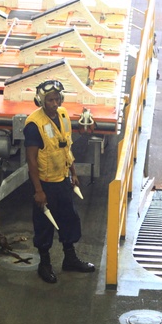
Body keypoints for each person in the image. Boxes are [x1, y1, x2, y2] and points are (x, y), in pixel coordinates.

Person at [24, 79, 96, 284]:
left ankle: (70, 258)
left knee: (69, 218)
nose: (55, 104)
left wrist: (73, 172)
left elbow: (65, 146)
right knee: (45, 223)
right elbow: (31, 159)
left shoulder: (63, 115)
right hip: (45, 182)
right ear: (40, 101)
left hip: (63, 178)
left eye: (57, 99)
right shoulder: (33, 125)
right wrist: (38, 190)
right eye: (50, 100)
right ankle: (44, 263)